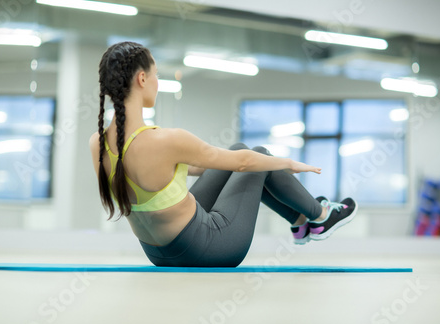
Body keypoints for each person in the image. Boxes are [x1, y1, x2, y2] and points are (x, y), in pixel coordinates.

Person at [89, 41, 358, 267]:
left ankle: (301, 222)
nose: (158, 82)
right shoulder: (166, 139)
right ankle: (321, 216)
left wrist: (239, 166)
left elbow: (199, 168)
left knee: (240, 152)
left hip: (157, 254)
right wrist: (288, 163)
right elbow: (244, 164)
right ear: (142, 78)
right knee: (257, 156)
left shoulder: (97, 144)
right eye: (157, 75)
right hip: (210, 247)